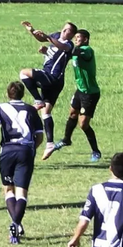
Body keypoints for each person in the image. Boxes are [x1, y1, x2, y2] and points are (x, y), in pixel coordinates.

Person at [0, 81, 44, 244]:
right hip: (25, 151)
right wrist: (31, 149)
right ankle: (16, 224)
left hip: (7, 151)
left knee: (8, 189)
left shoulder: (0, 108)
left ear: (7, 94)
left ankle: (15, 224)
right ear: (23, 94)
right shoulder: (31, 110)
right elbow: (40, 136)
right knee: (22, 193)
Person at [18, 21, 77, 160]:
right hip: (55, 82)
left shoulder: (69, 45)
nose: (64, 31)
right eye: (64, 28)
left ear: (72, 35)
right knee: (46, 112)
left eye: (68, 30)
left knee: (24, 73)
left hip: (52, 77)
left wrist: (48, 38)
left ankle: (37, 100)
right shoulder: (56, 35)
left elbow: (61, 46)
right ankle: (50, 144)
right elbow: (42, 38)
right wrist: (32, 31)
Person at [49, 29, 102, 162]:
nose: (76, 39)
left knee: (83, 124)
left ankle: (96, 151)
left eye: (78, 37)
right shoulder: (74, 51)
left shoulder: (87, 50)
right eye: (75, 37)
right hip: (80, 90)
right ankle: (66, 140)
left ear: (85, 39)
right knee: (72, 114)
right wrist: (46, 51)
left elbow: (74, 52)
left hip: (90, 93)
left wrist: (52, 40)